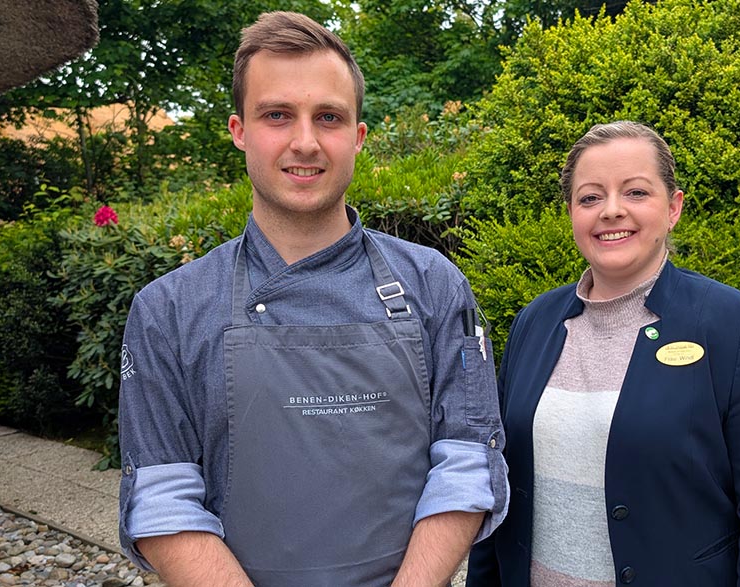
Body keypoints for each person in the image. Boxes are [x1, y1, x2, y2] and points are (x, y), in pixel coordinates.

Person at [117, 11, 507, 587]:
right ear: (239, 130)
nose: (305, 142)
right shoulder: (167, 310)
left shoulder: (434, 284)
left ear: (357, 136)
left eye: (328, 117)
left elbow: (468, 466)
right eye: (277, 115)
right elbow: (161, 498)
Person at [467, 121, 740, 586]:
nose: (611, 211)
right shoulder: (536, 322)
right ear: (571, 213)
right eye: (590, 197)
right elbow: (502, 484)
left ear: (673, 208)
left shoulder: (737, 326)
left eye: (635, 193)